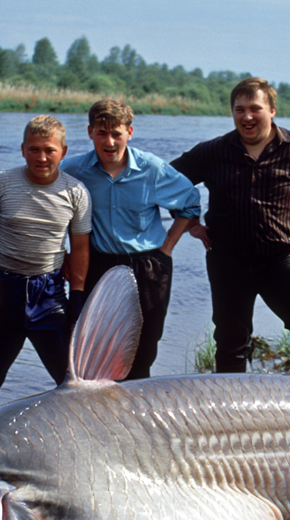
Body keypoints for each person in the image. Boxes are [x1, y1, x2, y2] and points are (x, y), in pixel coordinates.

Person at [172, 77, 290, 377]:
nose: (247, 116)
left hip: (279, 259)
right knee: (230, 341)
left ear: (273, 110)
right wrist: (192, 223)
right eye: (240, 109)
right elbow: (168, 180)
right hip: (227, 259)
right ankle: (231, 414)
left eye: (255, 108)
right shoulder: (213, 151)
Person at [0, 115, 92, 421]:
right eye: (33, 150)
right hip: (2, 290)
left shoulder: (76, 192)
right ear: (22, 149)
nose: (41, 157)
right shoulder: (2, 182)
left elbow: (80, 248)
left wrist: (78, 299)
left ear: (64, 151)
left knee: (73, 380)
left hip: (49, 295)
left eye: (49, 150)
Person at [59, 99, 201, 379]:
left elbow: (191, 202)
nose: (109, 141)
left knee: (143, 350)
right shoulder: (72, 170)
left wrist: (167, 248)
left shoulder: (152, 169)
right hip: (98, 266)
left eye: (117, 133)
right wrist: (61, 254)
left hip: (148, 266)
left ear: (130, 132)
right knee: (96, 351)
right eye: (102, 133)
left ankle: (136, 414)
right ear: (89, 132)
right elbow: (48, 206)